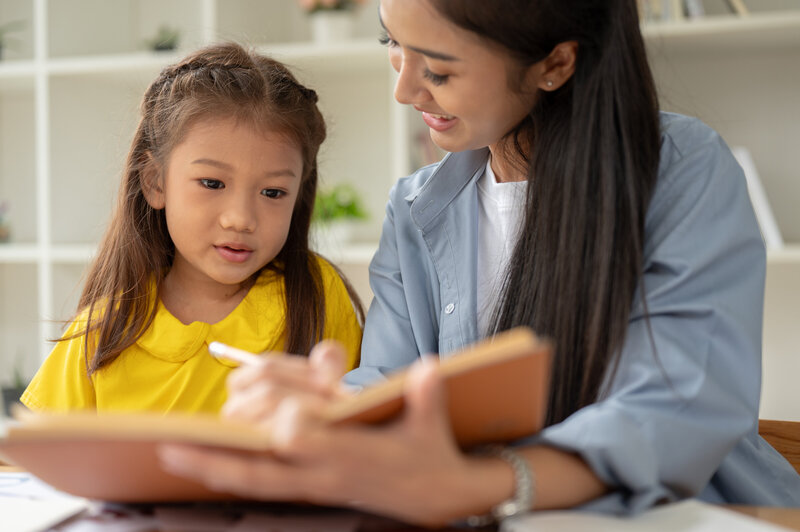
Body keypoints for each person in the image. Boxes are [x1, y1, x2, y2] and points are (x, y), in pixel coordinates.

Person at [158, 0, 800, 527]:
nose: (404, 89)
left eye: (437, 68)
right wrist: (328, 408)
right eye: (392, 43)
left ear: (554, 63)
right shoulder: (415, 207)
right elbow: (389, 379)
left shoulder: (682, 172)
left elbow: (674, 411)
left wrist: (477, 484)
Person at [21, 43, 363, 414]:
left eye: (273, 192)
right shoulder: (101, 333)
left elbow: (358, 430)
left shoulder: (314, 294)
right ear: (155, 182)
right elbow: (23, 461)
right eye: (212, 184)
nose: (241, 219)